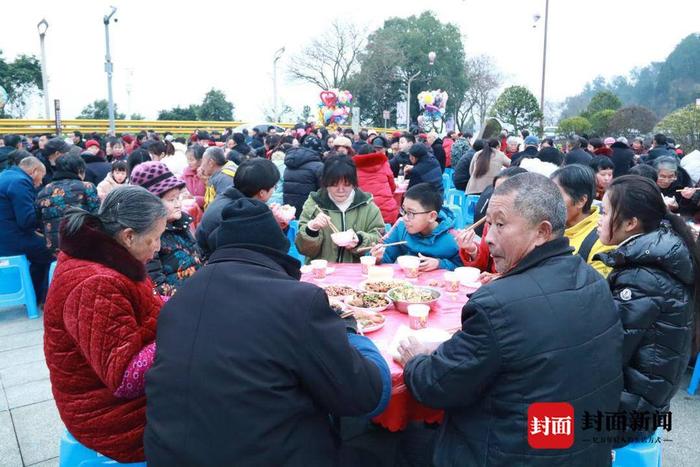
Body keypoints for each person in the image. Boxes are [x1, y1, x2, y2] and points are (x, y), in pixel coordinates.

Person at [397, 172, 624, 466]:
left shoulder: (498, 304)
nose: (488, 237)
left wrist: (415, 359)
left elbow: (436, 385)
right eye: (488, 223)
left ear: (542, 232)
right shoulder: (593, 280)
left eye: (500, 224)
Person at [144, 197, 390, 466]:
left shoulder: (181, 297)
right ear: (278, 250)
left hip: (168, 453)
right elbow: (365, 395)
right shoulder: (298, 302)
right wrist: (350, 332)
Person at [43, 186, 167, 463]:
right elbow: (125, 378)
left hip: (107, 399)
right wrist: (182, 334)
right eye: (155, 239)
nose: (158, 247)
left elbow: (147, 307)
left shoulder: (112, 260)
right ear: (129, 236)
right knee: (214, 415)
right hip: (109, 416)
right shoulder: (96, 284)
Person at [596, 175, 698, 444]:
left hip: (627, 414)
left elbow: (608, 350)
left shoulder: (643, 276)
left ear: (631, 223)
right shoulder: (656, 251)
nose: (599, 218)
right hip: (641, 401)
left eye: (605, 212)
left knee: (527, 415)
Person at [130, 161, 202, 296]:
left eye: (178, 197)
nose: (178, 203)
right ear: (150, 205)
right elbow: (157, 286)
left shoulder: (180, 223)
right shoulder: (148, 238)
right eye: (171, 200)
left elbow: (197, 258)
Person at [295, 156, 384, 264]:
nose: (340, 190)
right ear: (325, 183)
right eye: (334, 184)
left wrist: (359, 240)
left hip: (355, 273)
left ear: (353, 182)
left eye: (346, 184)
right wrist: (312, 229)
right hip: (321, 272)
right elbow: (303, 249)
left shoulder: (367, 206)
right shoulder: (315, 205)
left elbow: (379, 238)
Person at [196, 158, 286, 255]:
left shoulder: (229, 196)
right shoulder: (238, 212)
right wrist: (274, 222)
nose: (274, 191)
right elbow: (278, 248)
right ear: (262, 193)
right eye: (274, 187)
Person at [371, 183, 461, 271]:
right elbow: (386, 257)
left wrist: (439, 264)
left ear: (432, 216)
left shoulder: (451, 238)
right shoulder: (402, 228)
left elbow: (461, 267)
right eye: (403, 211)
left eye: (411, 213)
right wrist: (377, 257)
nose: (404, 218)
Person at [0, 156, 52, 301]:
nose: (41, 182)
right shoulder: (20, 182)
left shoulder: (6, 175)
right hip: (9, 239)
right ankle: (39, 297)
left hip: (5, 233)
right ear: (35, 171)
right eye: (42, 176)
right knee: (49, 249)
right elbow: (26, 220)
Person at [550, 164, 615, 276]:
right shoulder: (550, 227)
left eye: (556, 196)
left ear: (581, 200)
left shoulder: (602, 240)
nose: (549, 202)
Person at [457, 167, 529, 268]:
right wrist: (472, 249)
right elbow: (484, 264)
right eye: (496, 192)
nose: (497, 198)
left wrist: (498, 277)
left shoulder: (530, 229)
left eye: (505, 193)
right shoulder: (491, 222)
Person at [36, 154, 100, 256]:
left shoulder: (44, 191)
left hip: (55, 247)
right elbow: (96, 215)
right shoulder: (87, 187)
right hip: (81, 245)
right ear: (80, 170)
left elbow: (39, 220)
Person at [352, 144, 398, 224]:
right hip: (388, 210)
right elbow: (392, 187)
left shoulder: (354, 169)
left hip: (367, 212)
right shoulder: (384, 164)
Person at [283, 135, 325, 217]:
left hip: (290, 209)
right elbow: (322, 190)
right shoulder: (319, 166)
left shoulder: (290, 163)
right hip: (310, 209)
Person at [182, 144, 207, 209]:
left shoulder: (208, 174)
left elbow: (213, 199)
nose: (189, 162)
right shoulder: (186, 172)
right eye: (188, 159)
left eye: (191, 160)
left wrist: (195, 199)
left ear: (201, 160)